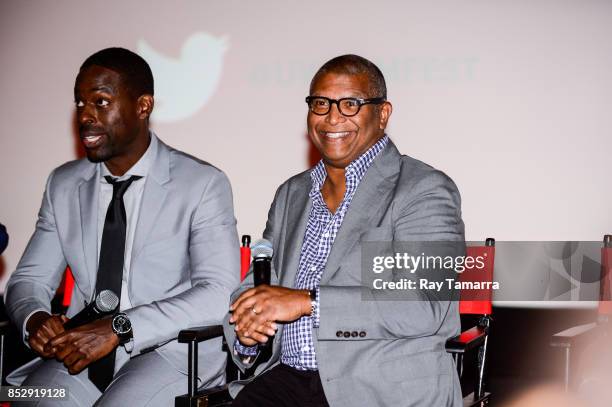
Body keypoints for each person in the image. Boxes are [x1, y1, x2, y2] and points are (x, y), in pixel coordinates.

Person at [224, 54, 465, 406]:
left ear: (382, 114)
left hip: (379, 388)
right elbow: (259, 284)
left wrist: (307, 302)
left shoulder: (423, 189)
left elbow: (422, 305)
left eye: (350, 104)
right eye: (320, 104)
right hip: (288, 380)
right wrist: (248, 330)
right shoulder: (291, 193)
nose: (332, 117)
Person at [4, 47, 240, 406]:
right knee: (35, 398)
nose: (85, 116)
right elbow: (28, 280)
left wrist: (120, 327)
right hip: (80, 351)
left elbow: (219, 292)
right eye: (80, 104)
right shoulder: (64, 184)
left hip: (169, 352)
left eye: (100, 102)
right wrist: (35, 317)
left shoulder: (201, 183)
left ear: (143, 106)